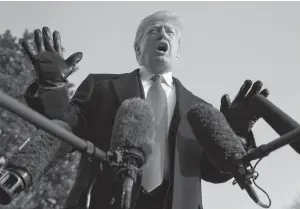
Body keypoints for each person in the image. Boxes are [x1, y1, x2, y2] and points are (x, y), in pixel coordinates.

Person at [22, 11, 270, 209]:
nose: (163, 33)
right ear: (138, 49)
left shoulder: (201, 110)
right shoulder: (102, 86)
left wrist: (235, 133)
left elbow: (213, 172)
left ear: (177, 50)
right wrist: (53, 87)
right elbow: (64, 124)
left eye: (170, 32)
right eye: (154, 30)